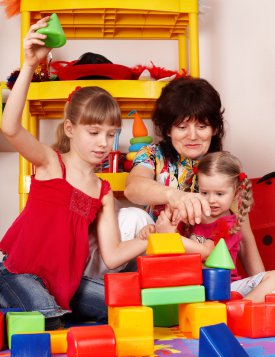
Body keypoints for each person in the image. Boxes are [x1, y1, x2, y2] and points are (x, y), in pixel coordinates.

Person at [0, 16, 148, 329]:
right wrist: (29, 65)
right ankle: (25, 310)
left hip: (66, 286)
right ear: (70, 128)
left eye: (111, 134)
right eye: (94, 132)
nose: (104, 143)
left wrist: (154, 236)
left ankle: (47, 312)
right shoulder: (51, 162)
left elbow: (113, 255)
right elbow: (9, 126)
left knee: (124, 304)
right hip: (18, 274)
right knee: (49, 318)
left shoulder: (102, 191)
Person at [124, 76, 265, 278]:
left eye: (202, 126)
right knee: (132, 217)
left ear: (215, 129)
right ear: (168, 130)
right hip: (156, 255)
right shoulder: (152, 154)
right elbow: (133, 187)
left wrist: (261, 287)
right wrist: (175, 196)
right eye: (182, 127)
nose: (192, 136)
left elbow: (244, 238)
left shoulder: (222, 168)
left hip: (199, 269)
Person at [140, 151, 275, 302]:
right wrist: (153, 230)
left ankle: (240, 307)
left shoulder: (228, 223)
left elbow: (207, 252)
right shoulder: (191, 215)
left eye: (219, 194)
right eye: (204, 193)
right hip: (191, 286)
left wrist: (171, 236)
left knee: (273, 278)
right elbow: (168, 242)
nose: (211, 200)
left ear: (236, 192)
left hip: (225, 288)